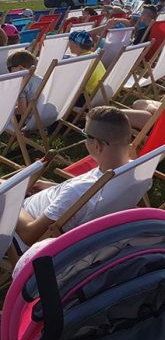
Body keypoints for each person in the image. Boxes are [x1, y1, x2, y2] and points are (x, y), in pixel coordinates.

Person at [15, 106, 135, 249]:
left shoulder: (76, 192)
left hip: (18, 226)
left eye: (85, 135)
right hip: (48, 202)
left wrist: (13, 201)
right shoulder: (134, 171)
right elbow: (83, 199)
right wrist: (55, 188)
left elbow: (29, 235)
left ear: (97, 146)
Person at [66, 31, 106, 97]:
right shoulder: (93, 56)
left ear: (75, 44)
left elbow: (71, 83)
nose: (68, 45)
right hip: (102, 94)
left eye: (69, 43)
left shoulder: (81, 62)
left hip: (88, 96)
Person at [7, 50, 40, 115]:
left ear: (20, 68)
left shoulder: (23, 84)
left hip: (30, 118)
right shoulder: (40, 79)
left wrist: (6, 111)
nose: (9, 72)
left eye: (10, 69)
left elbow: (22, 110)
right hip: (46, 116)